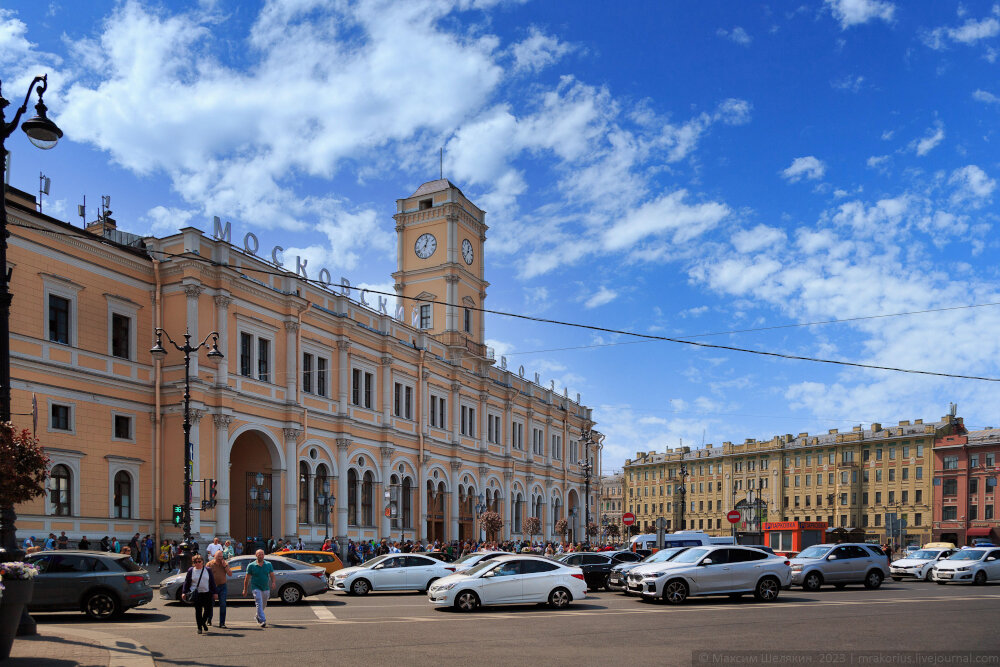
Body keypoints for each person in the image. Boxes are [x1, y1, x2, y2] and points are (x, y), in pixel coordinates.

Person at [182, 554, 216, 635]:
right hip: (196, 594)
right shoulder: (191, 570)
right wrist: (184, 592)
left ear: (202, 562)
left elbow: (212, 582)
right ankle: (199, 627)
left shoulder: (208, 570)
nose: (197, 563)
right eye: (195, 562)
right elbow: (186, 582)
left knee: (208, 610)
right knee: (198, 611)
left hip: (207, 593)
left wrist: (215, 592)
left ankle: (203, 622)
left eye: (199, 561)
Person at [243, 549, 275, 628]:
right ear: (256, 555)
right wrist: (245, 589)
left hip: (265, 587)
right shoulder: (251, 565)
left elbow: (272, 575)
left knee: (263, 604)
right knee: (259, 603)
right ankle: (262, 620)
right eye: (259, 554)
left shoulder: (268, 564)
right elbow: (246, 579)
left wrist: (273, 582)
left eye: (262, 554)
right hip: (256, 587)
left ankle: (258, 616)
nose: (261, 556)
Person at [207, 550, 233, 629]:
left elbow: (230, 574)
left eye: (221, 556)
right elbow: (206, 576)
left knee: (223, 604)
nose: (220, 558)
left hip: (222, 586)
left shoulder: (224, 564)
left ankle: (222, 623)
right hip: (212, 587)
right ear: (214, 556)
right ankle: (209, 619)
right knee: (210, 604)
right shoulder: (210, 564)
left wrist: (225, 566)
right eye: (218, 556)